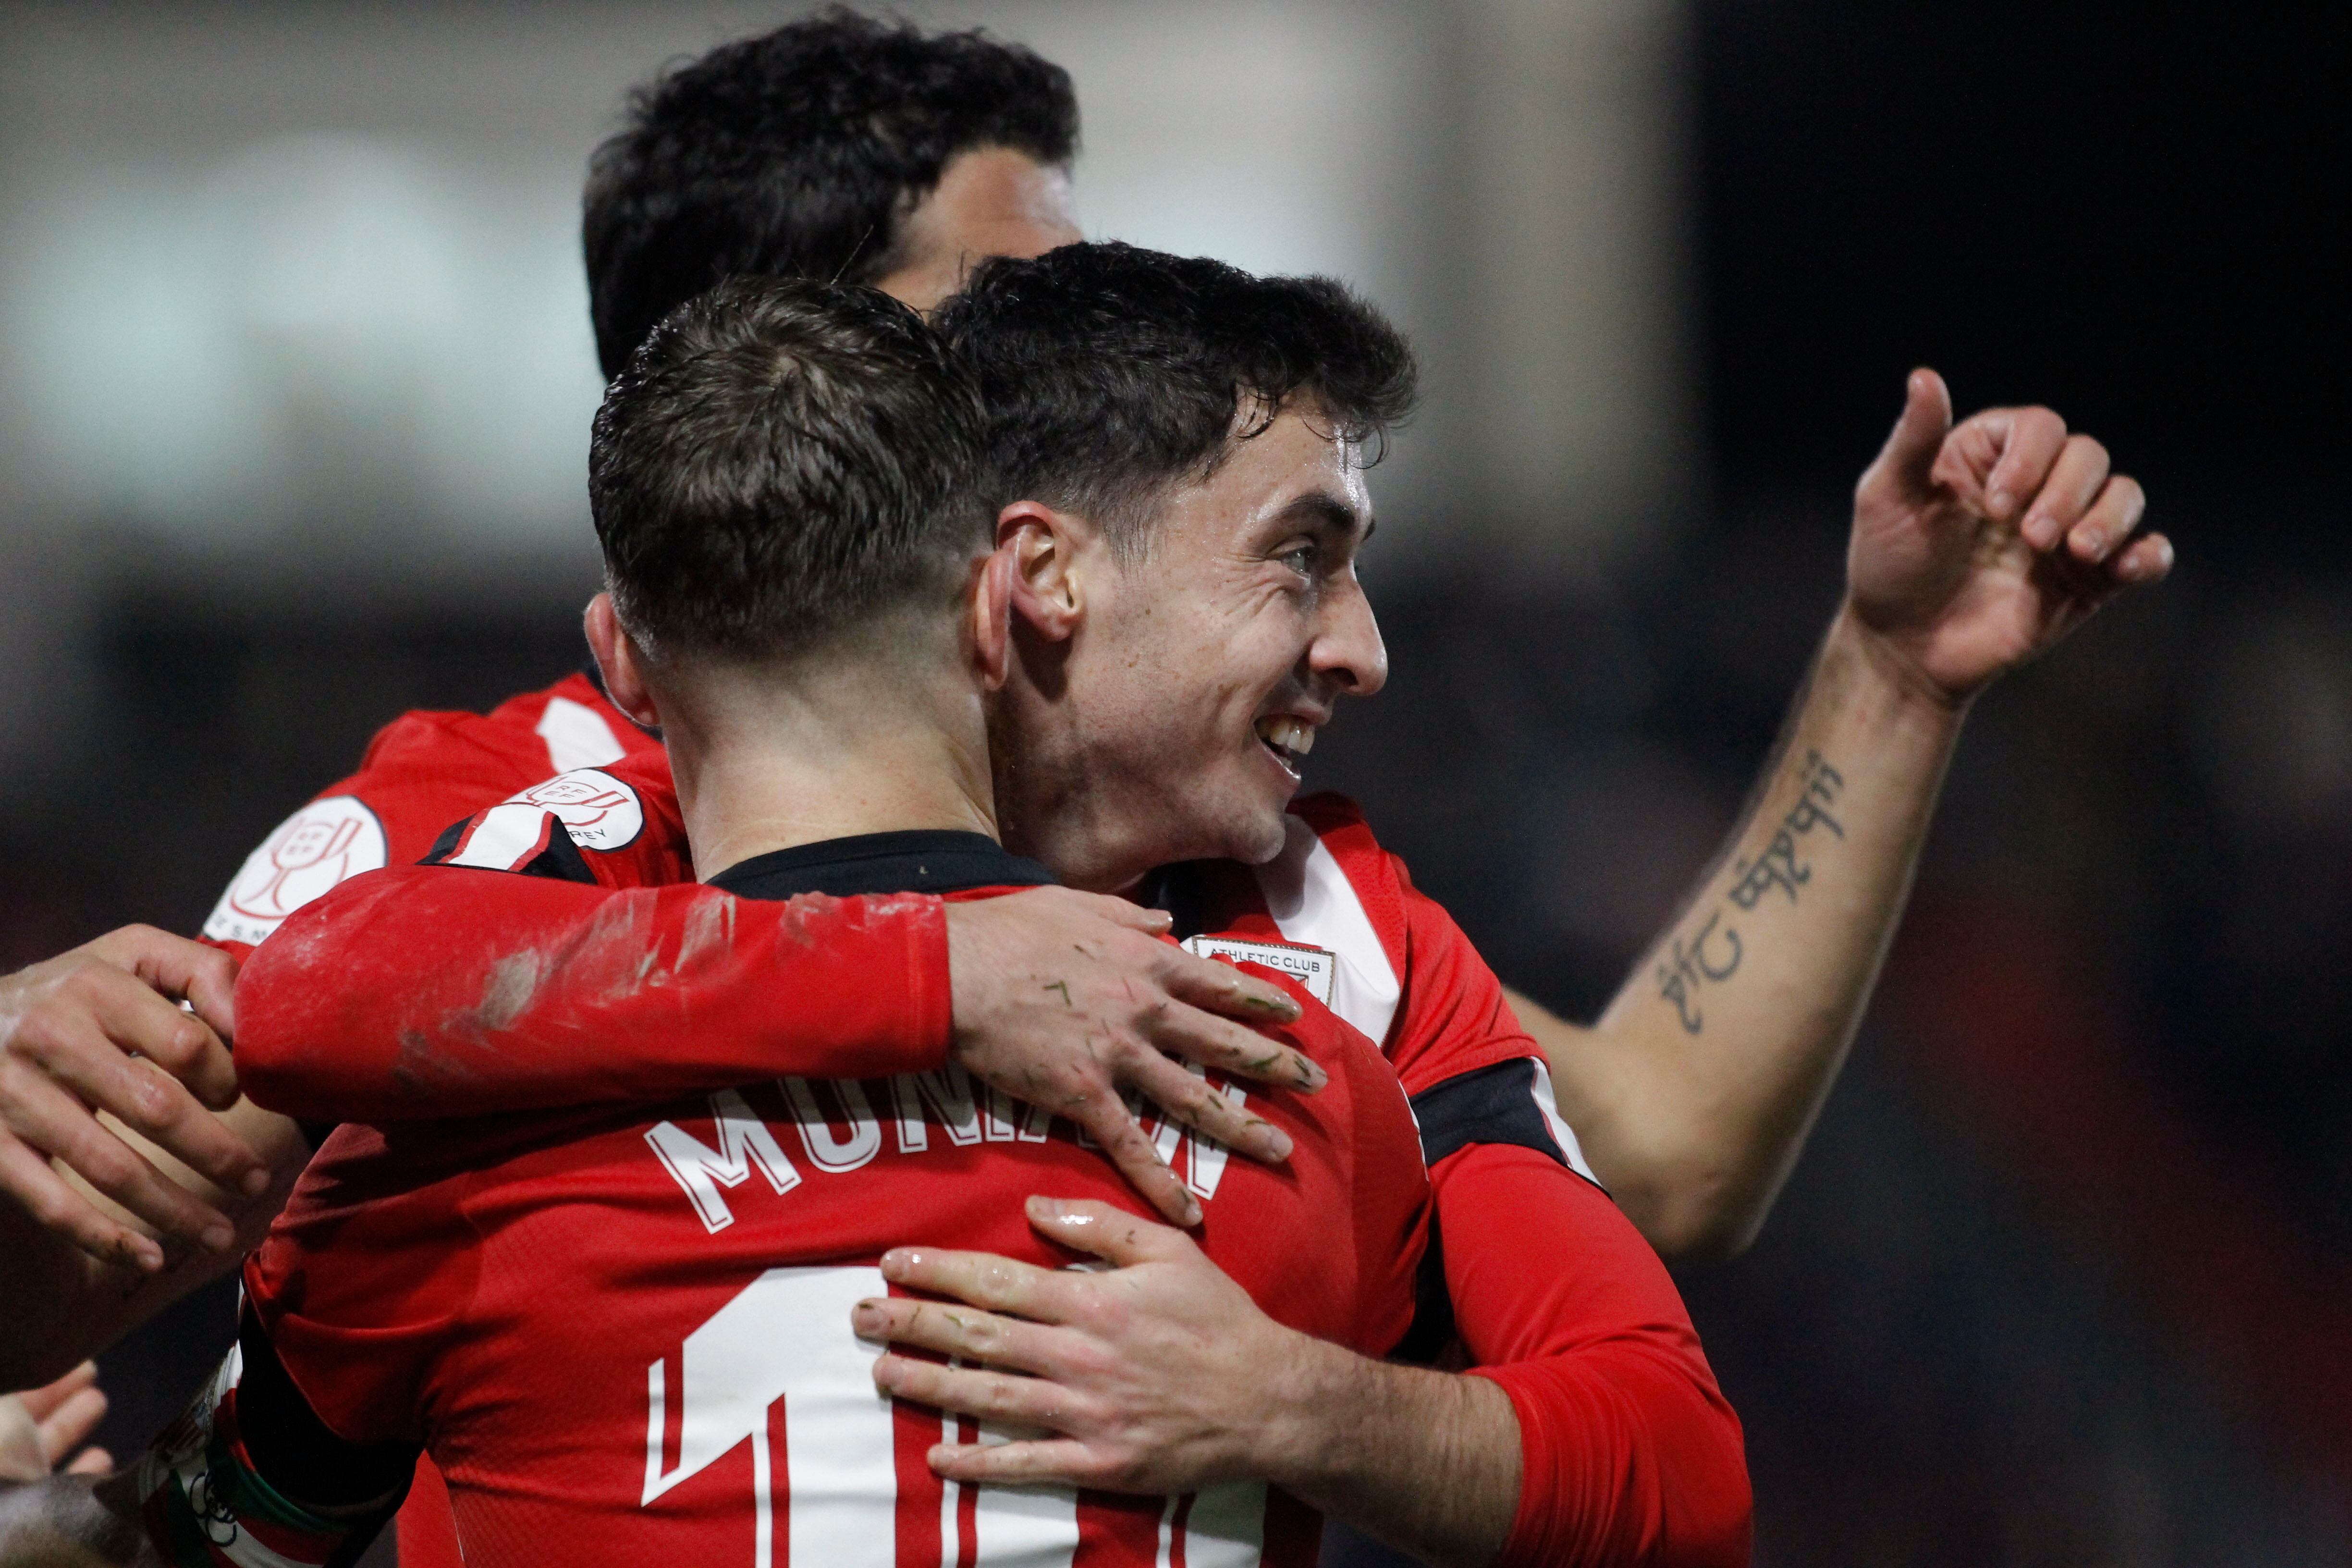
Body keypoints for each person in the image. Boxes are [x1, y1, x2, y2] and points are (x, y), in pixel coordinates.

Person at [0, 0, 2159, 1529]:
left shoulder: (1272, 879)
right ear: (807, 381)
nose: (1112, 340)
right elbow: (87, 1242)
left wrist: (1890, 682)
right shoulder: (473, 833)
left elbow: (1657, 1176)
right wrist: (935, 977)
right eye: (1018, 305)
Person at [18, 274, 1747, 1568]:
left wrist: (1297, 1402)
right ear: (1018, 589)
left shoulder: (448, 1116)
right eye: (1300, 558)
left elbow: (316, 998)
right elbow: (321, 992)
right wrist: (937, 969)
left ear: (631, 660)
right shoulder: (1298, 1086)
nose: (1363, 649)